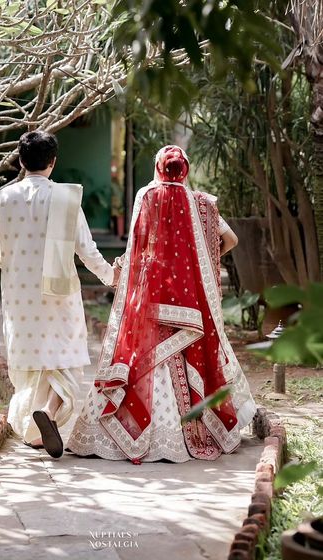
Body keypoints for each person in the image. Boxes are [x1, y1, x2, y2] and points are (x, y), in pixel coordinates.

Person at [67, 145, 256, 463]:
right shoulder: (200, 203)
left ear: (158, 168)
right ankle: (191, 435)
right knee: (186, 356)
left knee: (144, 356)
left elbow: (138, 243)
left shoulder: (146, 195)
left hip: (150, 294)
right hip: (188, 299)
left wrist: (122, 274)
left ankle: (135, 435)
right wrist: (201, 265)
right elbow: (231, 239)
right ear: (186, 170)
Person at [0, 130, 118, 458]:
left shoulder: (4, 198)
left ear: (21, 160)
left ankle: (38, 430)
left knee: (37, 360)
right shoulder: (64, 198)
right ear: (53, 162)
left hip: (19, 297)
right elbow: (87, 250)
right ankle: (49, 413)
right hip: (59, 292)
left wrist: (12, 264)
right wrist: (112, 276)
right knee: (66, 358)